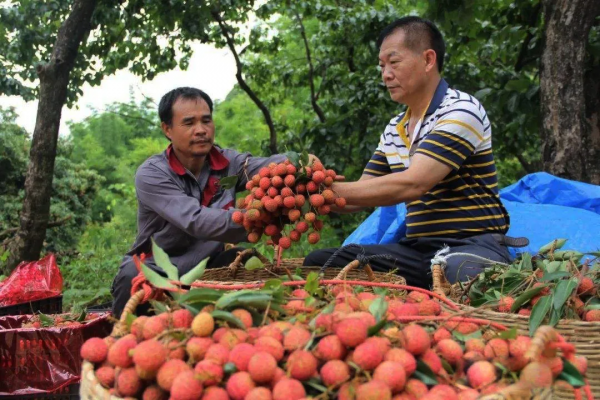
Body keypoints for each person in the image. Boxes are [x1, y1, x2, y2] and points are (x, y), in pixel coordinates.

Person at [303, 16, 521, 288]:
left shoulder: (461, 110)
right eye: (382, 66)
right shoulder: (396, 128)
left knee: (459, 274)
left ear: (428, 60)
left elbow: (414, 182)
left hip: (471, 244)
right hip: (417, 250)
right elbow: (361, 195)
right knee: (320, 262)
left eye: (394, 63)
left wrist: (321, 189)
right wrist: (306, 189)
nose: (386, 74)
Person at [111, 87, 299, 317]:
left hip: (207, 266)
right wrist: (260, 216)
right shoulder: (152, 174)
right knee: (133, 274)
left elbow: (270, 166)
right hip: (156, 268)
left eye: (206, 121)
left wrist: (299, 164)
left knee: (246, 259)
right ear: (167, 129)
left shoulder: (228, 163)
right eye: (189, 123)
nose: (201, 130)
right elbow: (197, 221)